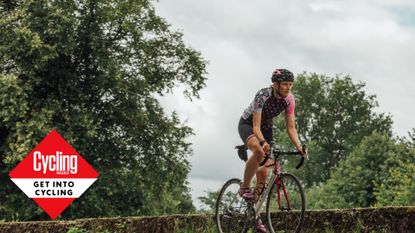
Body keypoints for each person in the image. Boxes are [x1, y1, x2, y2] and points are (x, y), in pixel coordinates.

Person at [237, 68, 305, 232]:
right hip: (249, 124)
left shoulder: (289, 100)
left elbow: (291, 128)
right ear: (276, 84)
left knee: (265, 172)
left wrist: (300, 146)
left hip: (267, 127)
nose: (288, 88)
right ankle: (245, 187)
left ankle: (255, 216)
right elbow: (255, 126)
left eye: (291, 84)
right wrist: (262, 142)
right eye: (285, 84)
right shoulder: (263, 95)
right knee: (260, 152)